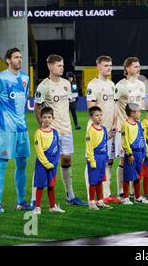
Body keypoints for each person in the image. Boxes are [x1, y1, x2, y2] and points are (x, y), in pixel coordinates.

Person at [33, 54, 86, 206]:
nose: (62, 68)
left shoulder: (66, 84)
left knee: (67, 159)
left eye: (62, 65)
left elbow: (66, 106)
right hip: (52, 130)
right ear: (50, 66)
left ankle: (70, 196)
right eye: (59, 65)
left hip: (66, 128)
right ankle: (34, 199)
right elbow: (37, 107)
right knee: (45, 162)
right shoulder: (44, 86)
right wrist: (42, 127)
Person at [0, 48, 33, 213]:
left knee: (22, 164)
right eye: (16, 57)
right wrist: (2, 119)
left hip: (22, 129)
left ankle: (21, 201)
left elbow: (23, 103)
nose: (19, 60)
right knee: (2, 164)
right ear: (8, 60)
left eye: (20, 57)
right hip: (6, 129)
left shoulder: (25, 79)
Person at [86, 56, 120, 204]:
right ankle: (91, 196)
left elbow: (113, 107)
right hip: (97, 130)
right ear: (98, 67)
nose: (109, 68)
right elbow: (91, 108)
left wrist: (113, 124)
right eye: (106, 65)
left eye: (110, 65)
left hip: (109, 130)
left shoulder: (112, 85)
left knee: (108, 161)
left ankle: (106, 194)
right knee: (92, 161)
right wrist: (99, 127)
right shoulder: (93, 84)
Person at [114, 57, 147, 200]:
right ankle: (121, 190)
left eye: (139, 66)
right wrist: (115, 124)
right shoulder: (120, 85)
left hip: (137, 128)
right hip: (124, 128)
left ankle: (134, 191)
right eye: (135, 66)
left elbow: (142, 106)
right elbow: (114, 106)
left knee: (138, 160)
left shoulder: (141, 84)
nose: (138, 69)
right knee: (124, 160)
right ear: (127, 68)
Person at [32, 107, 66, 215]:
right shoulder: (38, 132)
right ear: (41, 119)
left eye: (49, 117)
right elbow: (39, 151)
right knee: (40, 185)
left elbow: (57, 149)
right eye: (44, 117)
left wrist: (55, 163)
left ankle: (52, 206)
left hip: (53, 164)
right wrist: (47, 164)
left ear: (53, 118)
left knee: (51, 185)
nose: (47, 119)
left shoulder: (55, 132)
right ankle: (37, 207)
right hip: (42, 164)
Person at [121, 103, 148, 205]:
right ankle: (125, 198)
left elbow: (142, 139)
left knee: (138, 176)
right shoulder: (126, 125)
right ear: (132, 113)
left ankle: (137, 197)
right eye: (138, 111)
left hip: (140, 154)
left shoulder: (138, 124)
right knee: (128, 176)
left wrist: (145, 153)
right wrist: (129, 154)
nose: (140, 113)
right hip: (132, 155)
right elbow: (125, 141)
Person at [86, 106, 112, 210]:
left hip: (102, 158)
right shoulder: (90, 130)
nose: (99, 117)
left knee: (100, 180)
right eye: (96, 115)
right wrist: (92, 160)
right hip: (95, 158)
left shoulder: (104, 129)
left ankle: (100, 201)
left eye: (100, 115)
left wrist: (106, 158)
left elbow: (105, 143)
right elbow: (89, 147)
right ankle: (92, 202)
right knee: (93, 180)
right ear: (91, 117)